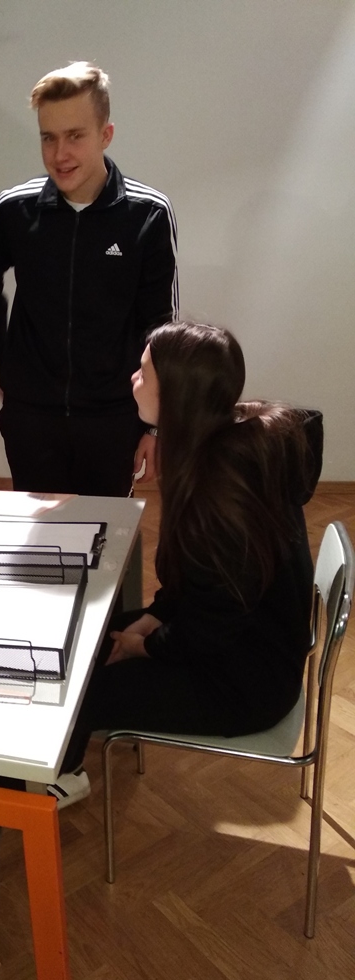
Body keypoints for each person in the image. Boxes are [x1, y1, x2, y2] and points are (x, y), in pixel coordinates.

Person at [46, 321, 323, 807]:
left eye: (143, 372)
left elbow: (211, 626)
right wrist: (153, 619)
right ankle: (56, 764)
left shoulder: (221, 492)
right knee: (85, 641)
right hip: (243, 646)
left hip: (247, 682)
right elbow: (201, 590)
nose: (133, 378)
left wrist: (146, 645)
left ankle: (45, 786)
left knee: (84, 689)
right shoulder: (221, 444)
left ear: (175, 394)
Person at [0, 60, 178, 497]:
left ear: (106, 134)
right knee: (38, 537)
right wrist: (6, 364)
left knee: (108, 533)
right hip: (31, 417)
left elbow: (161, 326)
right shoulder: (14, 209)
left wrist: (155, 426)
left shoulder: (148, 213)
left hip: (114, 417)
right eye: (49, 137)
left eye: (75, 136)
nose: (59, 154)